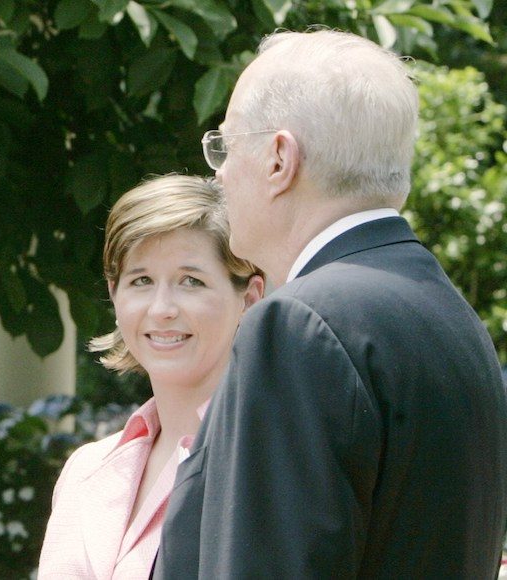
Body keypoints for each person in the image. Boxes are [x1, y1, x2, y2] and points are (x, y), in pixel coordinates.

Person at [155, 29, 507, 578]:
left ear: (279, 159)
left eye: (225, 145)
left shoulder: (297, 322)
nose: (217, 173)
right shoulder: (452, 317)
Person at [38, 174, 263, 578]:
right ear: (114, 292)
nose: (161, 308)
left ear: (249, 298)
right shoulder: (85, 469)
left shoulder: (266, 463)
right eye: (140, 280)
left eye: (190, 281)